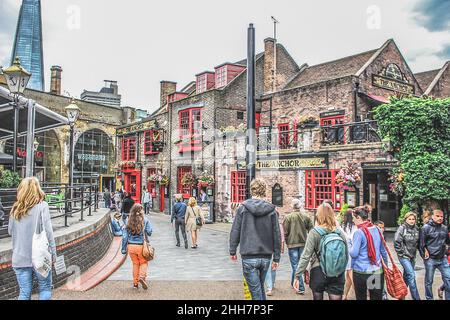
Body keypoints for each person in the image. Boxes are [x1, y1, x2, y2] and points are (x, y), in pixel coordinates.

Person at [229, 179, 281, 301]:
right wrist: (277, 257)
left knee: (255, 292)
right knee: (258, 289)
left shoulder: (242, 208)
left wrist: (232, 250)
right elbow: (276, 234)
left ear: (252, 190)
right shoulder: (272, 210)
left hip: (249, 255)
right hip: (266, 257)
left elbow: (235, 230)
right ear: (264, 191)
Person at [8, 177, 57, 300]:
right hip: (40, 257)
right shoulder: (42, 206)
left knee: (24, 293)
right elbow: (49, 232)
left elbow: (10, 231)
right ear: (37, 189)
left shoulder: (15, 209)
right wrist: (53, 254)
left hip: (19, 257)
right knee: (45, 288)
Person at [293, 203, 348, 300]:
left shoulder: (314, 232)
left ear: (318, 215)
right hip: (337, 272)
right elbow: (346, 254)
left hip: (318, 270)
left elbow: (306, 255)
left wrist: (297, 276)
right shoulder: (339, 232)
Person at [349, 206, 388, 300]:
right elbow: (383, 251)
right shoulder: (377, 229)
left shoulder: (358, 232)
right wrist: (385, 267)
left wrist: (349, 245)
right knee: (375, 297)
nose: (353, 221)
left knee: (361, 297)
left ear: (358, 218)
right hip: (376, 271)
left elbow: (354, 254)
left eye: (353, 218)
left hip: (361, 273)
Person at [283, 199, 313, 295]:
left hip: (292, 244)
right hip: (303, 243)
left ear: (292, 206)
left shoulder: (288, 217)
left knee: (295, 265)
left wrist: (287, 242)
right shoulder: (306, 216)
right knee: (299, 265)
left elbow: (285, 232)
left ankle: (300, 287)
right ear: (300, 206)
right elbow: (311, 230)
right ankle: (294, 282)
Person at [419, 209, 450, 300]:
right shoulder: (425, 228)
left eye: (441, 216)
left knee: (448, 279)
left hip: (442, 258)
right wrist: (424, 256)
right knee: (429, 282)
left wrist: (446, 252)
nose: (440, 218)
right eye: (437, 216)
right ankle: (429, 298)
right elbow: (421, 244)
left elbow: (448, 242)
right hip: (430, 259)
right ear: (432, 216)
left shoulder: (444, 228)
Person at [121, 204, 153, 290]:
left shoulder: (129, 220)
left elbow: (124, 237)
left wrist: (124, 249)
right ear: (141, 211)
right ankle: (142, 277)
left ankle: (135, 284)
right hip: (141, 246)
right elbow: (149, 232)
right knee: (143, 262)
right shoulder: (145, 220)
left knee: (135, 264)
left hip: (131, 246)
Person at [394, 211, 421, 300]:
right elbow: (397, 242)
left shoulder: (417, 228)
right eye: (409, 219)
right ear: (406, 219)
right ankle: (416, 298)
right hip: (404, 257)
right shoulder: (402, 228)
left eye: (413, 219)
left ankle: (401, 295)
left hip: (412, 256)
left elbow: (419, 243)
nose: (411, 221)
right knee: (411, 275)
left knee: (407, 276)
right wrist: (402, 253)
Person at [265, 211, 285, 296]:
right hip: (275, 247)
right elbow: (282, 238)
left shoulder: (268, 224)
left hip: (269, 247)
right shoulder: (279, 225)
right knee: (274, 267)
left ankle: (270, 286)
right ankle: (272, 284)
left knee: (269, 267)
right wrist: (282, 247)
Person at [340, 208, 357, 300]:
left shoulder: (342, 226)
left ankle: (344, 295)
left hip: (345, 252)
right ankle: (359, 295)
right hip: (352, 252)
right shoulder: (355, 227)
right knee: (351, 275)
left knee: (348, 276)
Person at [374, 220, 388, 300]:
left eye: (383, 228)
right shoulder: (377, 236)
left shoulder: (382, 236)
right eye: (379, 227)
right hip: (376, 263)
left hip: (379, 263)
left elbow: (384, 252)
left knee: (379, 281)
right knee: (376, 281)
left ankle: (382, 295)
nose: (381, 229)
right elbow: (383, 252)